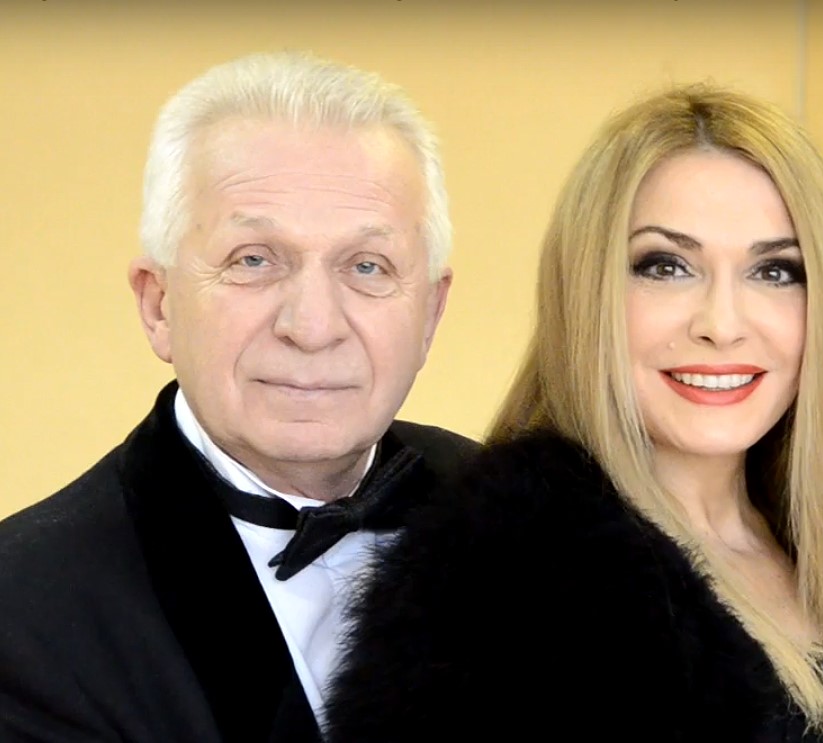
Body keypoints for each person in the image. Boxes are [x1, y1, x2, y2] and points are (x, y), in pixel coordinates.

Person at [323, 85, 823, 742]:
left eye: (774, 271)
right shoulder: (493, 590)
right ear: (587, 292)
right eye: (666, 266)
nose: (722, 324)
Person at [0, 52, 477, 742]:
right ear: (159, 304)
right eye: (253, 259)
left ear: (430, 313)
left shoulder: (523, 518)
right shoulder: (22, 610)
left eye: (367, 266)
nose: (312, 326)